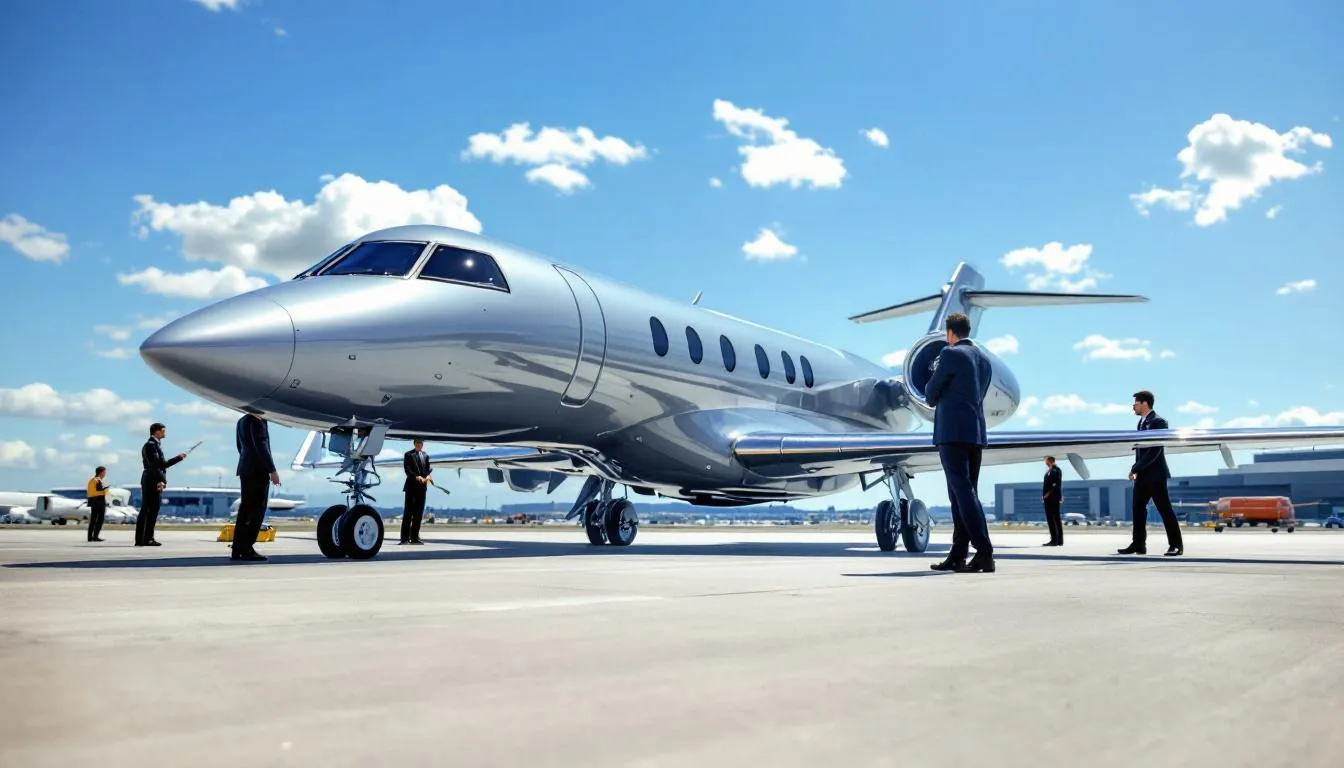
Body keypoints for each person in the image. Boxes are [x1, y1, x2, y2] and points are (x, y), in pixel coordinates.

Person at [924, 312, 995, 573]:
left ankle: (985, 552)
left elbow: (931, 394)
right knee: (963, 495)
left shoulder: (951, 354)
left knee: (962, 494)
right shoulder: (984, 361)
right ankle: (958, 554)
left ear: (950, 332)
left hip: (952, 434)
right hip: (975, 434)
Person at [1119, 390, 1184, 557]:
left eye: (1136, 403)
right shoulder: (1141, 423)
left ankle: (1176, 545)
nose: (1133, 406)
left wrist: (1135, 468)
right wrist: (1137, 469)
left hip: (1155, 475)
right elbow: (1141, 450)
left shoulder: (1159, 422)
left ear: (1145, 403)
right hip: (1142, 475)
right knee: (1138, 509)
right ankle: (1138, 544)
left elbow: (1155, 449)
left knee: (1164, 510)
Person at [234, 412, 280, 561]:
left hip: (245, 469)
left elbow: (239, 446)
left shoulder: (241, 421)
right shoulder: (257, 421)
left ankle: (237, 548)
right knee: (256, 511)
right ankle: (247, 548)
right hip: (258, 470)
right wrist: (272, 470)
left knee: (245, 510)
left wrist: (247, 461)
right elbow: (261, 445)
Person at [137, 422, 185, 547]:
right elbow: (157, 465)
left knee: (148, 510)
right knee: (150, 510)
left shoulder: (152, 445)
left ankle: (143, 538)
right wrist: (160, 480)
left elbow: (160, 464)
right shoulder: (151, 445)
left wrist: (178, 458)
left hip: (150, 479)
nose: (165, 433)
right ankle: (147, 538)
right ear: (157, 432)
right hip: (152, 480)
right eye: (163, 431)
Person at [400, 438, 432, 545]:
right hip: (411, 487)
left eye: (421, 443)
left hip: (422, 488)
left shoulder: (426, 455)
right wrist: (416, 477)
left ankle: (414, 538)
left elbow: (427, 469)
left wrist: (428, 476)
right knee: (408, 513)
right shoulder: (408, 455)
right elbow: (407, 469)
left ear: (422, 444)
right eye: (417, 443)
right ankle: (404, 538)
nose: (419, 445)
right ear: (414, 444)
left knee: (418, 514)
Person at [1042, 456, 1064, 546]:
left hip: (1053, 498)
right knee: (1052, 519)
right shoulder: (1049, 471)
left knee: (1054, 519)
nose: (1045, 463)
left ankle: (1055, 540)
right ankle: (1057, 540)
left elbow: (1056, 484)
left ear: (1050, 461)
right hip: (1048, 498)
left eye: (1046, 461)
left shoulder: (1056, 470)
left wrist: (1048, 493)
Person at [86, 465, 109, 542]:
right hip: (99, 502)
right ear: (101, 473)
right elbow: (99, 491)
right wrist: (106, 490)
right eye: (104, 472)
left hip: (93, 502)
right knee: (100, 519)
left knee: (93, 520)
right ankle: (95, 536)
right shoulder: (98, 480)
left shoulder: (91, 480)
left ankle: (89, 537)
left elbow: (90, 492)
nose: (105, 474)